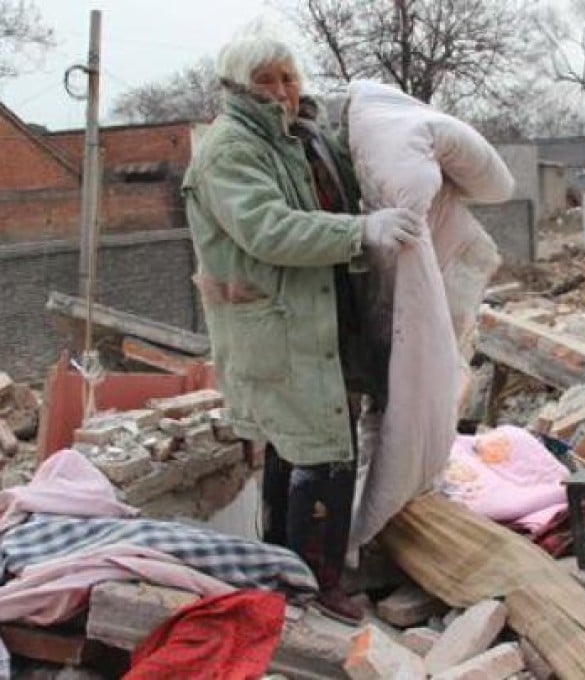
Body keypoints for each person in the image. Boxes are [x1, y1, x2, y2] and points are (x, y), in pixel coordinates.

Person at [182, 31, 422, 623]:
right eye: (269, 81)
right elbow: (269, 229)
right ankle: (316, 585)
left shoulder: (303, 137)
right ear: (239, 87)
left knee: (296, 452)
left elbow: (351, 182)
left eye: (289, 77)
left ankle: (283, 573)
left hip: (321, 315)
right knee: (321, 453)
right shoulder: (230, 150)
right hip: (282, 328)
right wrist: (358, 234)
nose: (285, 91)